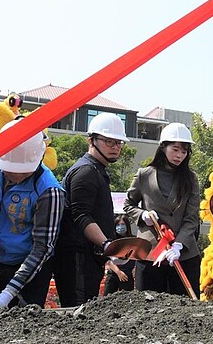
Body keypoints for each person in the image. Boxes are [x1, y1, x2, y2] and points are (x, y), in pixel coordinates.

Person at [0, 119, 65, 312]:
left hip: (30, 269)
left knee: (21, 322)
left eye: (21, 173)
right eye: (8, 171)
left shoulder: (49, 191)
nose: (12, 176)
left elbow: (42, 247)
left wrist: (9, 293)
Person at [52, 112, 130, 306]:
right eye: (109, 141)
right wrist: (106, 244)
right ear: (91, 140)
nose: (115, 147)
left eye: (118, 142)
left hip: (87, 257)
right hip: (77, 257)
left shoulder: (96, 170)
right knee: (78, 311)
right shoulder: (86, 171)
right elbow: (81, 216)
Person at [124, 122, 201, 298]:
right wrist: (143, 215)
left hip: (183, 255)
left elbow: (191, 218)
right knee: (148, 307)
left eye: (184, 151)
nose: (179, 155)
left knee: (185, 307)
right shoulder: (144, 174)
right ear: (163, 147)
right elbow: (129, 205)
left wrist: (179, 244)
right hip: (150, 252)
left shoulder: (191, 179)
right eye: (175, 149)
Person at [103, 214, 136, 295]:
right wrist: (118, 272)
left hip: (128, 275)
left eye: (123, 224)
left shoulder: (133, 240)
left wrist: (135, 269)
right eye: (118, 225)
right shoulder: (111, 241)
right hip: (114, 274)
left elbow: (137, 257)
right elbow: (109, 259)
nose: (120, 227)